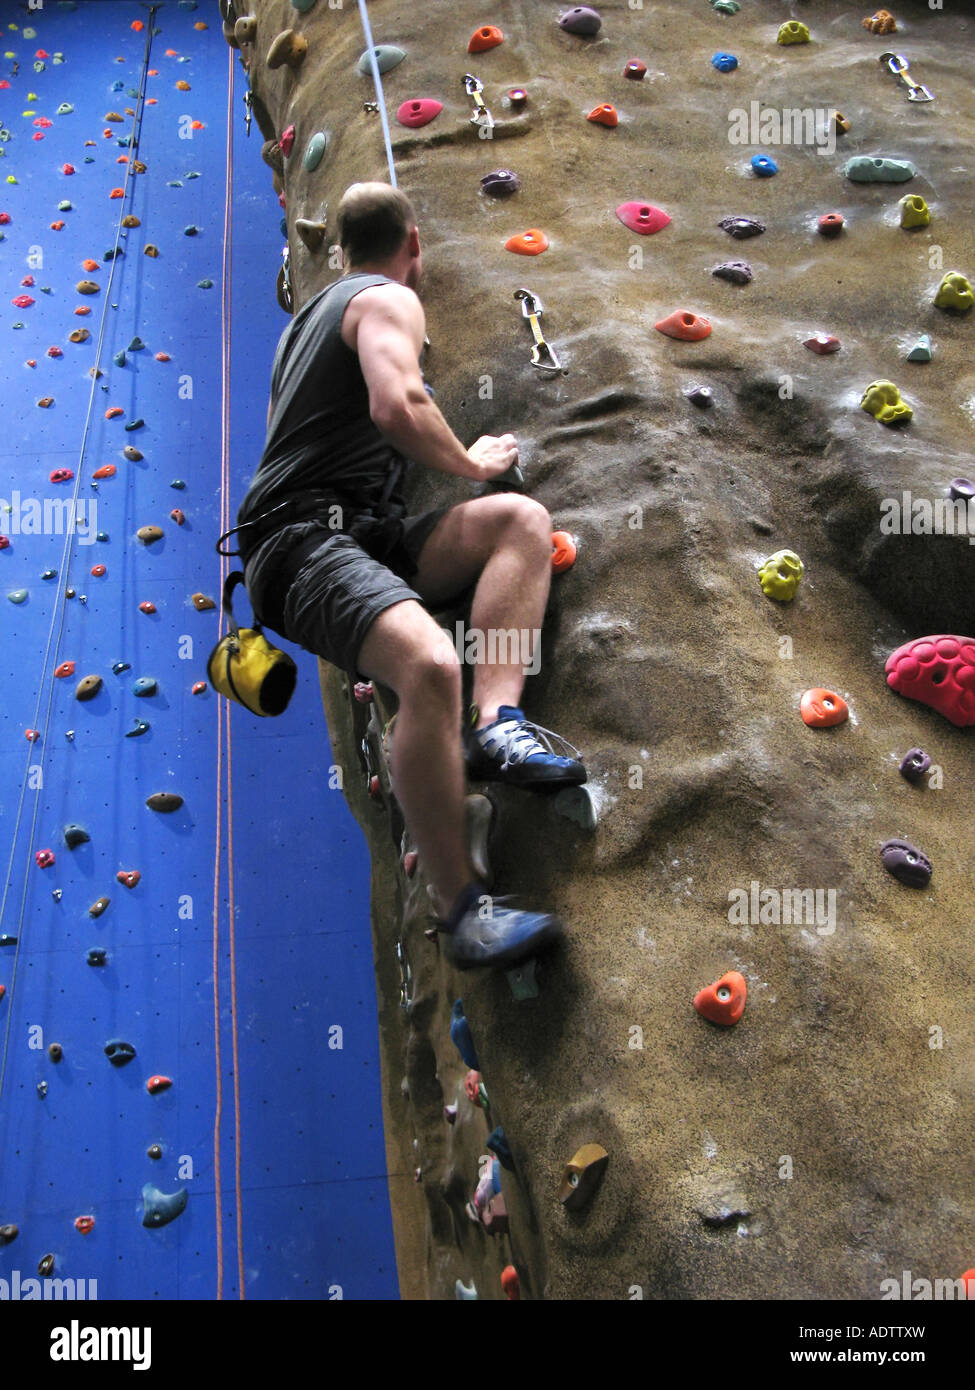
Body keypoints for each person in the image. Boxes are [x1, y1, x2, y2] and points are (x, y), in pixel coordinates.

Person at [231, 182, 586, 969]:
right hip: (303, 539)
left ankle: (499, 726)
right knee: (427, 665)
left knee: (518, 525)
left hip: (363, 534)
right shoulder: (384, 298)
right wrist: (469, 461)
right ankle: (460, 911)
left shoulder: (306, 326)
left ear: (340, 248)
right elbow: (398, 405)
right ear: (413, 246)